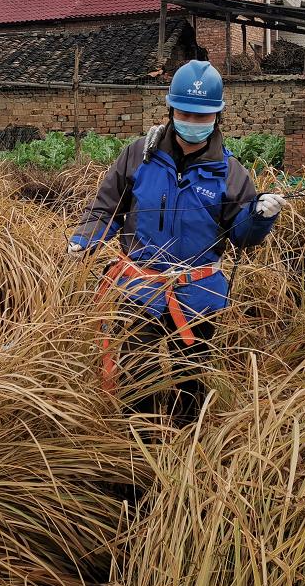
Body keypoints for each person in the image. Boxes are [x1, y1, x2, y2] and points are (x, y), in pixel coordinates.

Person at [67, 60, 287, 428]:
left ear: (218, 117)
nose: (194, 123)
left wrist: (261, 218)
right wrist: (84, 239)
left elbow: (242, 238)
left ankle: (189, 448)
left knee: (191, 381)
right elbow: (107, 207)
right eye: (186, 113)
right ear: (170, 110)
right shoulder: (138, 156)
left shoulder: (232, 175)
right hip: (140, 289)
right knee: (139, 378)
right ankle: (139, 456)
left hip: (199, 294)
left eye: (204, 117)